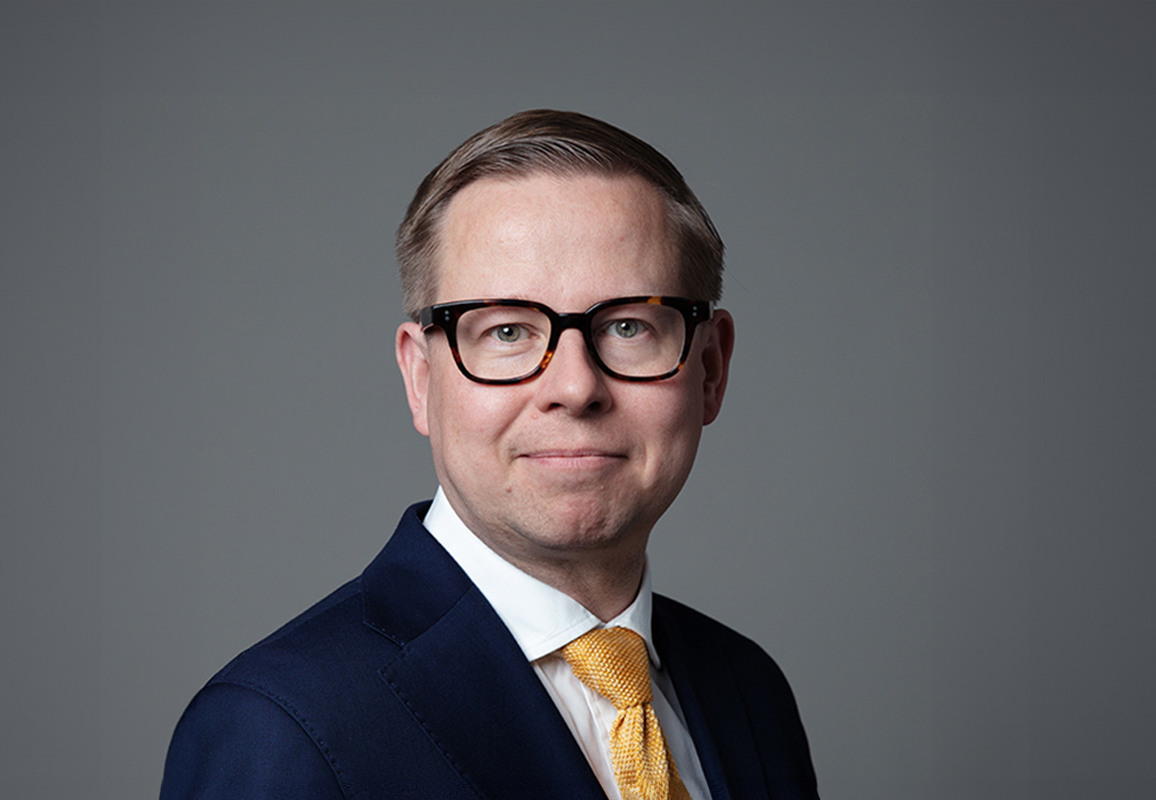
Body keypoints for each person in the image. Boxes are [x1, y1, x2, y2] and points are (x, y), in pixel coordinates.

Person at [161, 109, 818, 800]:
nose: (574, 388)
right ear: (420, 379)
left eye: (628, 326)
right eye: (507, 331)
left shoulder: (748, 692)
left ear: (710, 369)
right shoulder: (280, 728)